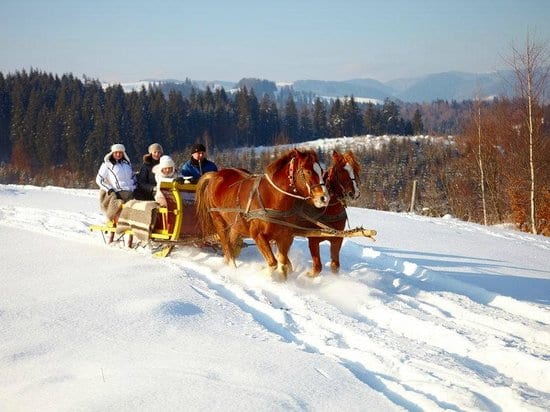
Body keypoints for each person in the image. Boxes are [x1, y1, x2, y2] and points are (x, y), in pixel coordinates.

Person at [96, 143, 136, 220]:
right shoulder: (107, 164)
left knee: (144, 197)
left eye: (120, 152)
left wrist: (136, 185)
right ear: (112, 153)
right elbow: (99, 180)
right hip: (119, 191)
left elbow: (133, 177)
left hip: (131, 189)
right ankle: (130, 219)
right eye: (116, 152)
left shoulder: (127, 164)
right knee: (132, 197)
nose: (118, 154)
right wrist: (109, 189)